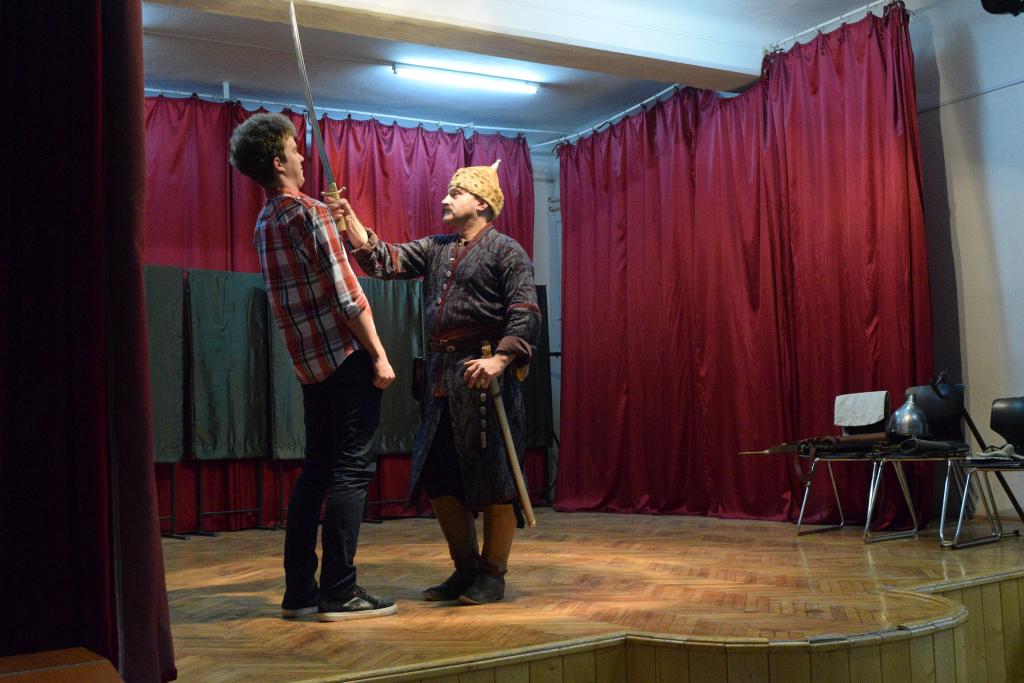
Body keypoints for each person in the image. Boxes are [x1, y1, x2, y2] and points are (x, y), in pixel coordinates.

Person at [328, 161, 541, 605]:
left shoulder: (507, 251)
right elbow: (387, 260)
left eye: (455, 193)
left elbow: (525, 312)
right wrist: (350, 222)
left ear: (481, 203)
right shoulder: (435, 247)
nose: (445, 199)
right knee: (440, 478)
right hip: (441, 379)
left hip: (485, 381)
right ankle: (465, 570)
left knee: (496, 478)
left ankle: (492, 575)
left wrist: (501, 359)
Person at [228, 113, 397, 621]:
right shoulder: (309, 212)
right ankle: (340, 591)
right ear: (278, 162)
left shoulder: (266, 221)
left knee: (316, 470)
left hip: (310, 365)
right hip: (346, 357)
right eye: (294, 149)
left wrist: (342, 223)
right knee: (351, 469)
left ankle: (300, 590)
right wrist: (379, 353)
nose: (303, 156)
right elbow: (347, 296)